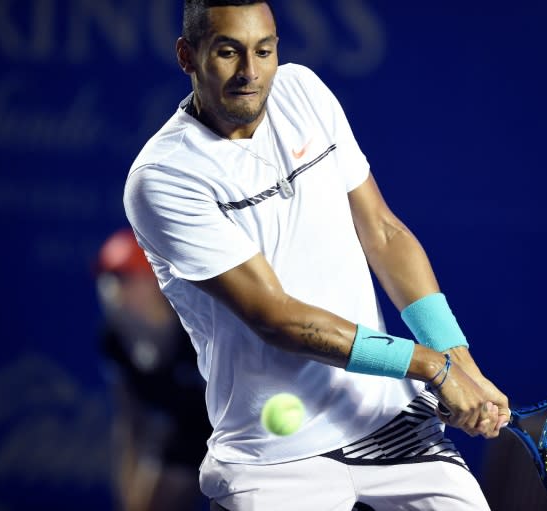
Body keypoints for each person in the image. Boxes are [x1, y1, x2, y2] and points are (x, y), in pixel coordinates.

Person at [123, 1, 510, 509]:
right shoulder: (164, 178)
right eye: (227, 52)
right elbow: (277, 318)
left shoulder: (302, 91)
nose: (250, 72)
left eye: (264, 51)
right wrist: (432, 369)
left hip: (392, 426)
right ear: (186, 56)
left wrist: (460, 360)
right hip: (274, 456)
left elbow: (384, 232)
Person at [95, 228, 211, 511]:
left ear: (155, 278)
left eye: (127, 278)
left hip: (235, 432)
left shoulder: (200, 324)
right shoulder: (115, 341)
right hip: (183, 436)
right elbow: (130, 422)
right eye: (111, 280)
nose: (114, 291)